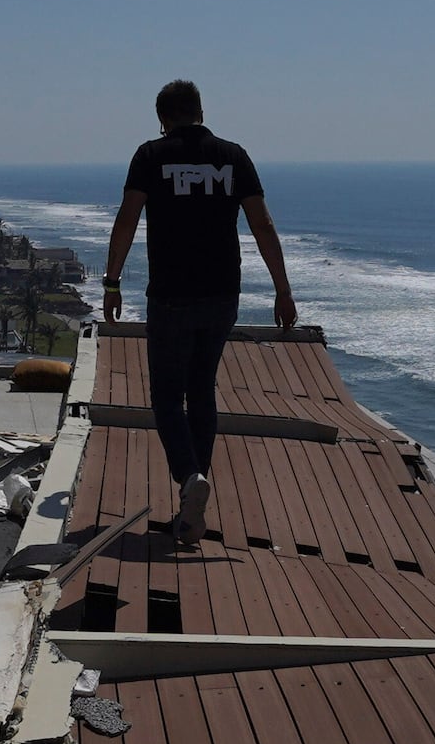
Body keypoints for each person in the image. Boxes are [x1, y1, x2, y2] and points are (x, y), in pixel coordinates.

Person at [103, 80, 295, 546]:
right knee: (202, 392)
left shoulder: (150, 156)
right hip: (221, 295)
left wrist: (111, 281)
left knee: (168, 398)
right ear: (201, 111)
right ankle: (193, 505)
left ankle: (191, 479)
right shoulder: (233, 156)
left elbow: (127, 218)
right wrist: (283, 290)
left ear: (162, 118)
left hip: (170, 294)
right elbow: (262, 223)